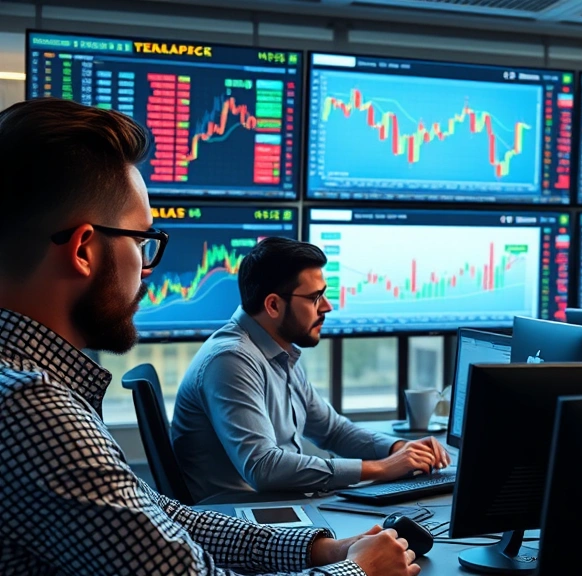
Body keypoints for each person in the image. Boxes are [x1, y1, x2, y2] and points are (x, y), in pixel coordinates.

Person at [0, 98, 418, 576]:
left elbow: (157, 515)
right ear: (83, 251)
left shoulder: (28, 388)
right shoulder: (34, 410)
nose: (148, 268)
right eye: (141, 241)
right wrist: (358, 572)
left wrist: (316, 549)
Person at [172, 237, 451, 503]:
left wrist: (398, 449)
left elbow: (333, 432)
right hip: (242, 519)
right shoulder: (232, 360)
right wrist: (380, 468)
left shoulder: (279, 350)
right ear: (273, 305)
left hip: (280, 506)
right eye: (315, 298)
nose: (327, 307)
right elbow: (264, 467)